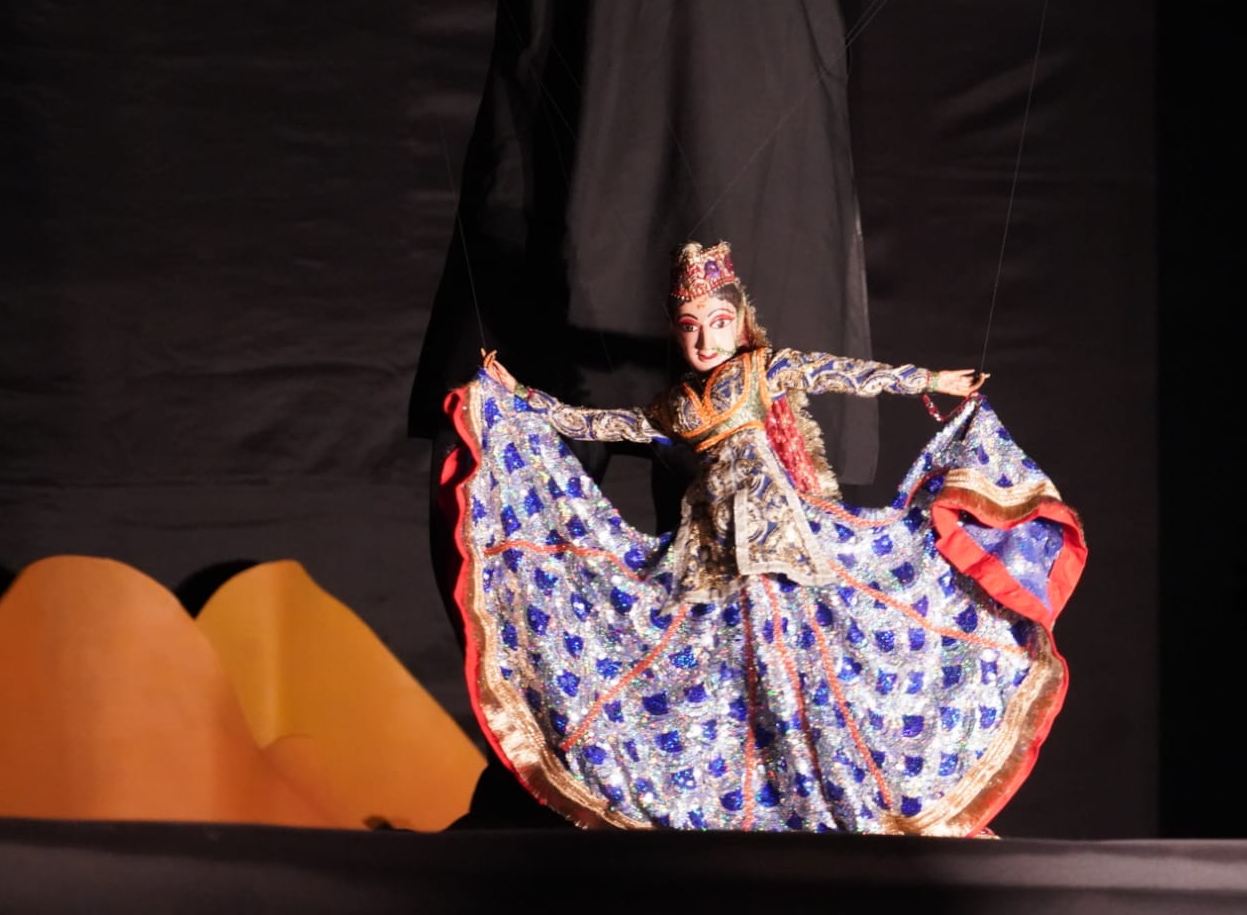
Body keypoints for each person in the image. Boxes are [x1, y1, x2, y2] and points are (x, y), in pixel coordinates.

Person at [441, 241, 1086, 835]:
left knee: (804, 668)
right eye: (690, 326)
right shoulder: (675, 406)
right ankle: (734, 807)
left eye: (718, 322)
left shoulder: (761, 371)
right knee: (722, 675)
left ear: (738, 321)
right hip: (709, 553)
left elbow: (846, 374)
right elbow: (595, 423)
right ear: (676, 331)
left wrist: (932, 381)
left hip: (780, 542)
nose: (704, 339)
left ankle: (844, 799)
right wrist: (516, 396)